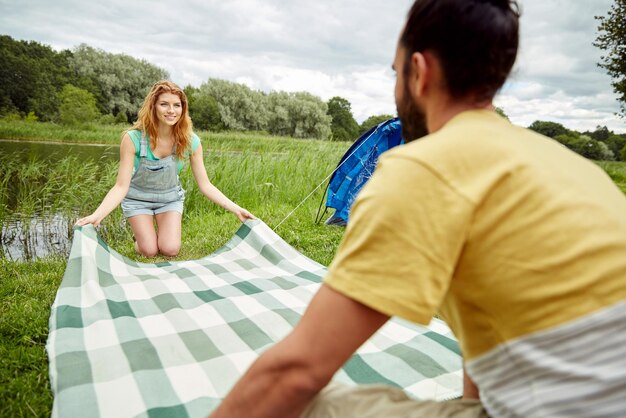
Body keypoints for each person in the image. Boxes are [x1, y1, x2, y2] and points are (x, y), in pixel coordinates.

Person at [209, 0, 626, 417]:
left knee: (309, 404)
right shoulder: (571, 166)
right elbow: (485, 327)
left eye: (396, 73)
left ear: (420, 72)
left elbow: (295, 371)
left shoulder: (421, 168)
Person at [77, 80, 253, 257]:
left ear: (183, 109)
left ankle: (156, 235)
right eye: (164, 104)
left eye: (177, 105)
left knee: (170, 249)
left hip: (169, 199)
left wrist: (236, 209)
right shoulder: (132, 139)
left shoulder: (191, 141)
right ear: (153, 106)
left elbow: (205, 185)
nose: (171, 110)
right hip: (138, 199)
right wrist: (97, 216)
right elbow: (121, 186)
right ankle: (140, 240)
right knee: (149, 251)